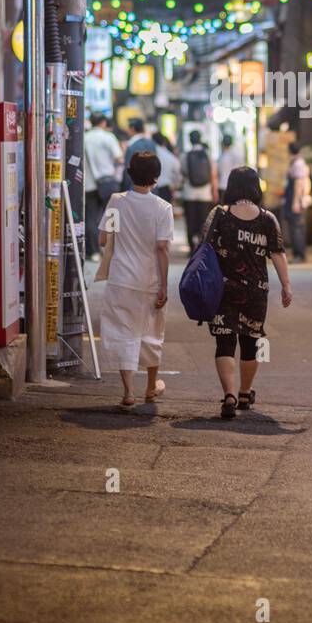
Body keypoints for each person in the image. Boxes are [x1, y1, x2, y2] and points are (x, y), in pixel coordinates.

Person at [200, 166, 292, 419]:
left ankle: (228, 395)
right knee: (254, 340)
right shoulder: (267, 218)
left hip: (222, 289)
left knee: (224, 341)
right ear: (256, 188)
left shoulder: (219, 214)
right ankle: (244, 392)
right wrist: (286, 285)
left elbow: (202, 248)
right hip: (256, 290)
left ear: (231, 187)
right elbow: (278, 254)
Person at [95, 150, 174, 410]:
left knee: (123, 333)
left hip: (120, 279)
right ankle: (151, 387)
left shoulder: (117, 201)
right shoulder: (163, 208)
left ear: (131, 173)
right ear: (156, 176)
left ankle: (128, 392)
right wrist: (164, 285)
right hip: (148, 280)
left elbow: (103, 239)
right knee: (151, 333)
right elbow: (162, 248)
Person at [84, 113, 122, 258]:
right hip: (108, 183)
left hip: (90, 184)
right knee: (111, 216)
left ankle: (94, 251)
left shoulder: (85, 138)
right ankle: (111, 250)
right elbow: (119, 158)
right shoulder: (108, 137)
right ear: (104, 122)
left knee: (92, 218)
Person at [181, 129, 217, 252]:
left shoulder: (185, 155)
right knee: (204, 222)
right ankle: (203, 247)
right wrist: (214, 192)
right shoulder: (207, 154)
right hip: (205, 194)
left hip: (189, 194)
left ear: (190, 140)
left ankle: (191, 248)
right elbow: (213, 175)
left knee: (190, 222)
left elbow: (184, 173)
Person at [282, 141, 311, 263]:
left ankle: (299, 254)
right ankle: (298, 254)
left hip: (296, 199)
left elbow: (299, 184)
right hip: (293, 198)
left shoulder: (298, 164)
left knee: (296, 227)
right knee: (295, 227)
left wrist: (295, 202)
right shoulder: (297, 162)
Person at [121, 117, 153, 190]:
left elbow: (128, 171)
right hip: (151, 188)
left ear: (132, 128)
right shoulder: (151, 144)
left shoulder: (132, 146)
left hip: (135, 189)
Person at [152, 131, 182, 203]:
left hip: (152, 189)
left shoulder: (151, 154)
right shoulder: (170, 156)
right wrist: (175, 186)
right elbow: (178, 173)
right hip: (166, 189)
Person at [216, 133, 243, 202]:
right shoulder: (236, 156)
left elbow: (218, 172)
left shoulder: (221, 157)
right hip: (234, 186)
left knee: (224, 208)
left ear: (222, 143)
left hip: (222, 185)